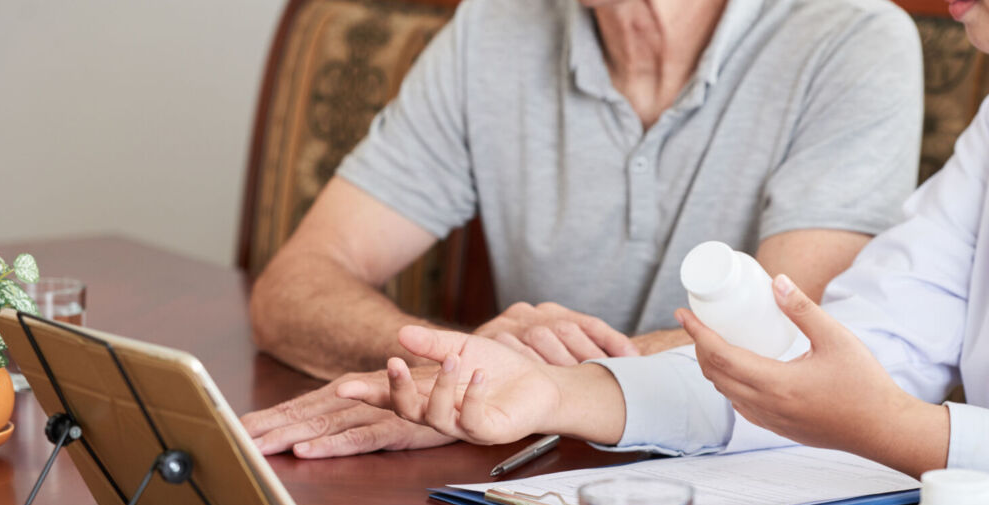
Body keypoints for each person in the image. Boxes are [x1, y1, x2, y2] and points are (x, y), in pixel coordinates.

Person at [336, 0, 989, 479]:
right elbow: (841, 355)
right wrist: (553, 391)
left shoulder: (850, 37)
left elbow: (851, 395)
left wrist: (896, 427)